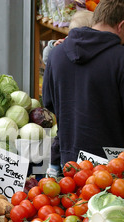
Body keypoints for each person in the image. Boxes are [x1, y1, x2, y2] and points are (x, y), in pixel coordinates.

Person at [42, 0, 124, 167]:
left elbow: (49, 103)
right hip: (115, 167)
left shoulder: (56, 54)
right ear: (121, 25)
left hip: (70, 163)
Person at [42, 10, 94, 177]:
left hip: (64, 107)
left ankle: (53, 171)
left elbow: (47, 57)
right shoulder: (92, 52)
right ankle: (55, 170)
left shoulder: (60, 49)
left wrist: (52, 47)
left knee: (60, 138)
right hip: (83, 108)